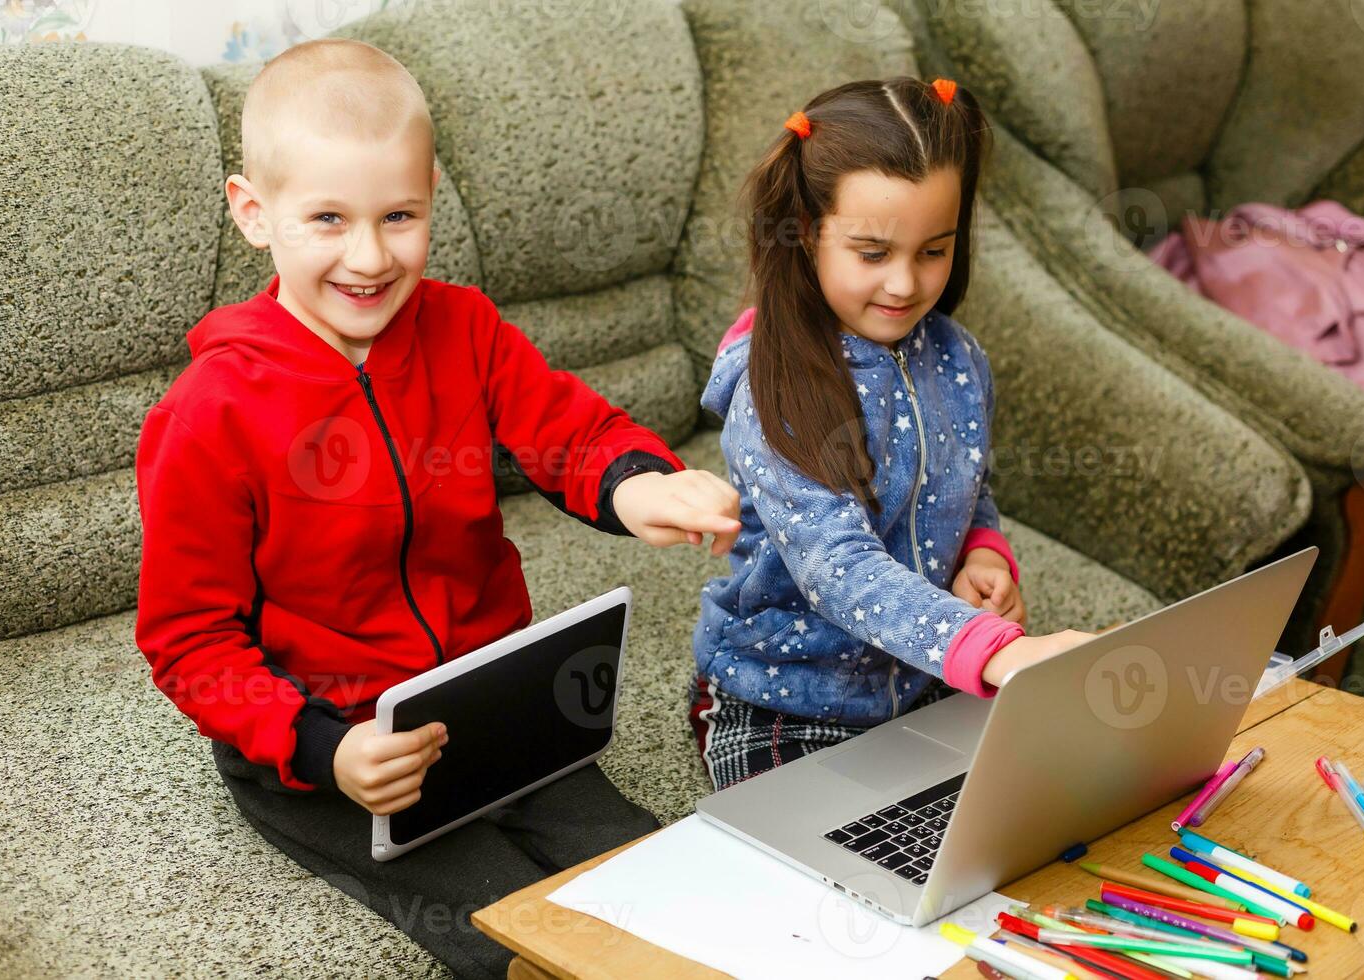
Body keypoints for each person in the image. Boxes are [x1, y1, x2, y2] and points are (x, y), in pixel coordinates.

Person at [134, 38, 740, 980]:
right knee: (513, 933)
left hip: (494, 704)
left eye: (400, 215)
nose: (371, 257)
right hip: (330, 744)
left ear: (432, 196)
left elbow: (568, 432)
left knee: (657, 882)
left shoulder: (466, 329)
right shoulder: (207, 414)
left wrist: (641, 482)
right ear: (255, 214)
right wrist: (324, 752)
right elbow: (190, 639)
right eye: (328, 218)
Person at [689, 77, 1093, 792]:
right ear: (806, 232)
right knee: (837, 879)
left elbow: (968, 481)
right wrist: (990, 649)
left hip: (925, 677)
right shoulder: (773, 386)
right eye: (872, 253)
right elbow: (837, 568)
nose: (905, 284)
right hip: (787, 700)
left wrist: (983, 553)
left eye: (933, 250)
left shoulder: (958, 357)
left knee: (1052, 814)